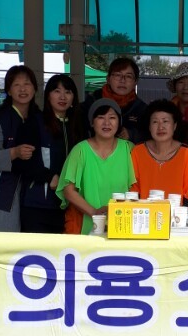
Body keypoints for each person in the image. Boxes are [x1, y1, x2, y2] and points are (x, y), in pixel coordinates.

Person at [57, 99, 135, 235]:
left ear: (119, 122)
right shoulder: (80, 150)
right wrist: (95, 212)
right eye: (100, 117)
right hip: (85, 223)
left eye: (112, 118)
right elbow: (68, 190)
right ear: (92, 122)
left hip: (122, 222)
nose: (107, 123)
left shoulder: (129, 149)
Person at [0, 64, 39, 232]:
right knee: (2, 241)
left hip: (30, 193)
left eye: (27, 84)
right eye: (16, 85)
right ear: (9, 91)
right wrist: (14, 152)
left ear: (34, 88)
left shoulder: (37, 117)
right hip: (2, 192)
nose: (22, 89)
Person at [21, 74, 84, 233]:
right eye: (57, 91)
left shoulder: (79, 126)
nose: (63, 97)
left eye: (68, 92)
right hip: (38, 204)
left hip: (70, 204)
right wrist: (50, 177)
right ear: (48, 96)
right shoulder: (35, 122)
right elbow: (25, 161)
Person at [131, 99, 188, 202]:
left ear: (174, 126)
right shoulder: (137, 152)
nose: (160, 127)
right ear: (149, 127)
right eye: (155, 122)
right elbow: (134, 191)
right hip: (144, 211)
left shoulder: (187, 153)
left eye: (165, 121)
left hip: (176, 211)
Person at [83, 57, 147, 144]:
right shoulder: (91, 103)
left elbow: (150, 135)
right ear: (108, 79)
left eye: (128, 76)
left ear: (135, 82)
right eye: (117, 75)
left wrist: (131, 134)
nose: (122, 80)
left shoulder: (142, 109)